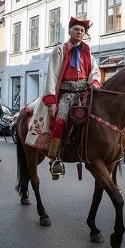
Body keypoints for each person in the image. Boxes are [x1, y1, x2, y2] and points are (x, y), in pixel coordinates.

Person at [43, 16, 101, 177]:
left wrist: (94, 83)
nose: (79, 32)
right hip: (66, 94)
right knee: (61, 121)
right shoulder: (60, 49)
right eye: (76, 29)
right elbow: (52, 76)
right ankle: (54, 158)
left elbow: (94, 71)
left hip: (83, 93)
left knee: (97, 119)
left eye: (82, 30)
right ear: (69, 31)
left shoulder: (87, 51)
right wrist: (51, 102)